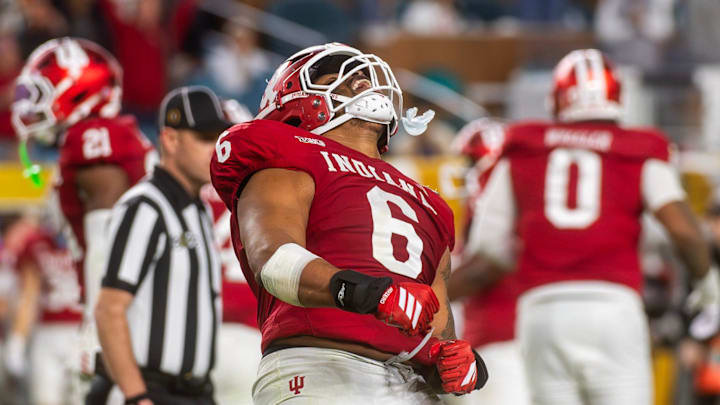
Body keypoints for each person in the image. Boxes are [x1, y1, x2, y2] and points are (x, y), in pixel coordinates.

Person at [210, 42, 488, 404]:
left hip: (409, 387)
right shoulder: (289, 152)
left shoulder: (428, 202)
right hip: (322, 368)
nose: (360, 81)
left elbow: (435, 331)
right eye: (336, 78)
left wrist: (452, 362)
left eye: (362, 77)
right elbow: (273, 260)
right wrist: (371, 293)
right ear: (295, 106)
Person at [469, 48, 719, 405]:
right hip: (612, 308)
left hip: (542, 310)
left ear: (557, 100)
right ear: (617, 97)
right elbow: (684, 231)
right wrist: (707, 285)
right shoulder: (640, 150)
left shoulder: (524, 148)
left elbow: (489, 249)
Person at [11, 36, 155, 383]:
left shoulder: (94, 139)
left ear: (76, 89)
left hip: (129, 320)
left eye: (40, 92)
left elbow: (106, 242)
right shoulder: (110, 136)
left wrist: (98, 327)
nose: (28, 106)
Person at [90, 86, 226, 405]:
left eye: (219, 138)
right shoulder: (145, 207)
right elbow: (109, 310)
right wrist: (136, 395)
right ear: (171, 139)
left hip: (197, 392)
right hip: (151, 390)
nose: (216, 149)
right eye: (205, 138)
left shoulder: (199, 209)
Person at [445, 118, 531, 405]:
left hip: (504, 337)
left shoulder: (496, 189)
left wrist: (429, 297)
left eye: (470, 162)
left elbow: (485, 268)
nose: (466, 172)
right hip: (503, 336)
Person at [2, 214, 83, 405]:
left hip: (81, 331)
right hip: (48, 331)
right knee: (46, 398)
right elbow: (30, 293)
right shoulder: (36, 242)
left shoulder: (87, 235)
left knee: (80, 397)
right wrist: (18, 339)